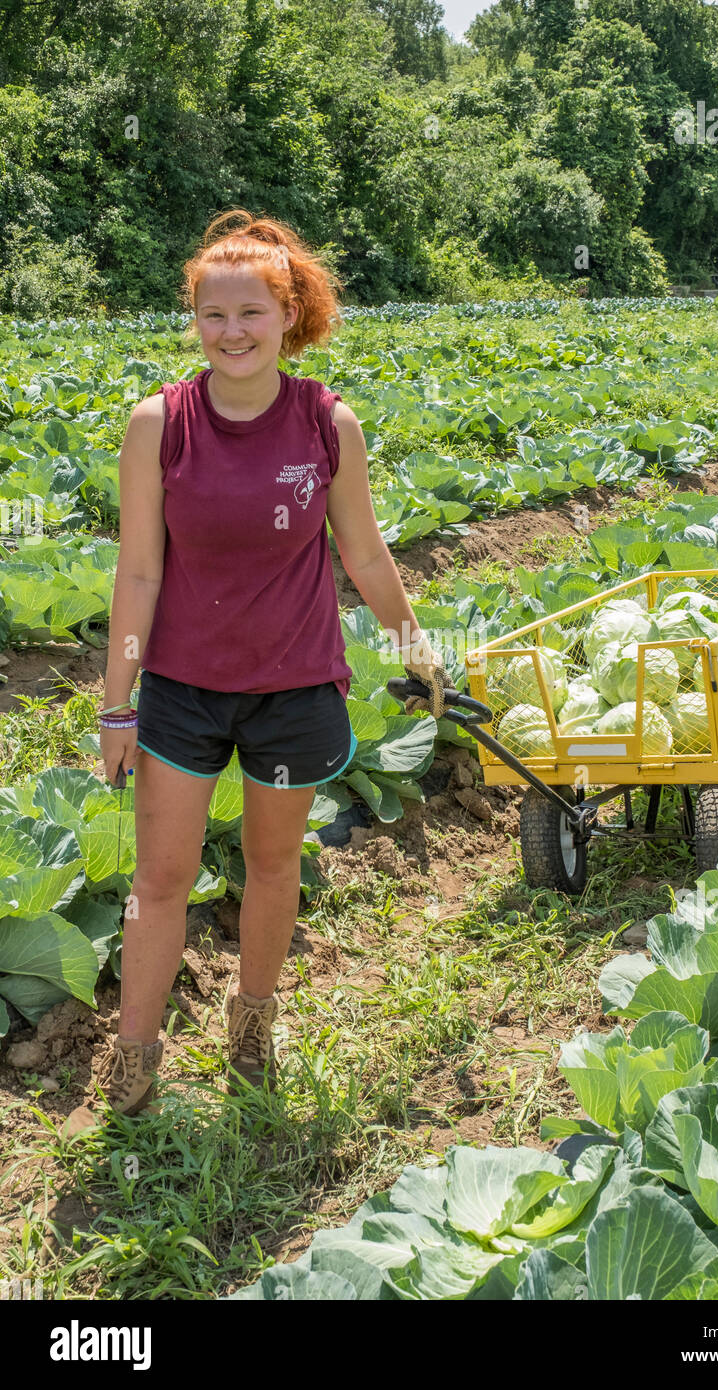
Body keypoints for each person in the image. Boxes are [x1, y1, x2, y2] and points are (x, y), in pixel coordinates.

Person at [68, 210, 447, 1129]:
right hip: (183, 694)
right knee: (161, 882)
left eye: (250, 313)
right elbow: (140, 570)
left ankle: (252, 1030)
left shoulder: (327, 423)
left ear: (288, 315)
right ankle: (134, 1065)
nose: (231, 332)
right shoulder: (161, 422)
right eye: (212, 315)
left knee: (275, 871)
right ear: (194, 321)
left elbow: (361, 551)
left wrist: (412, 643)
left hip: (294, 688)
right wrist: (117, 706)